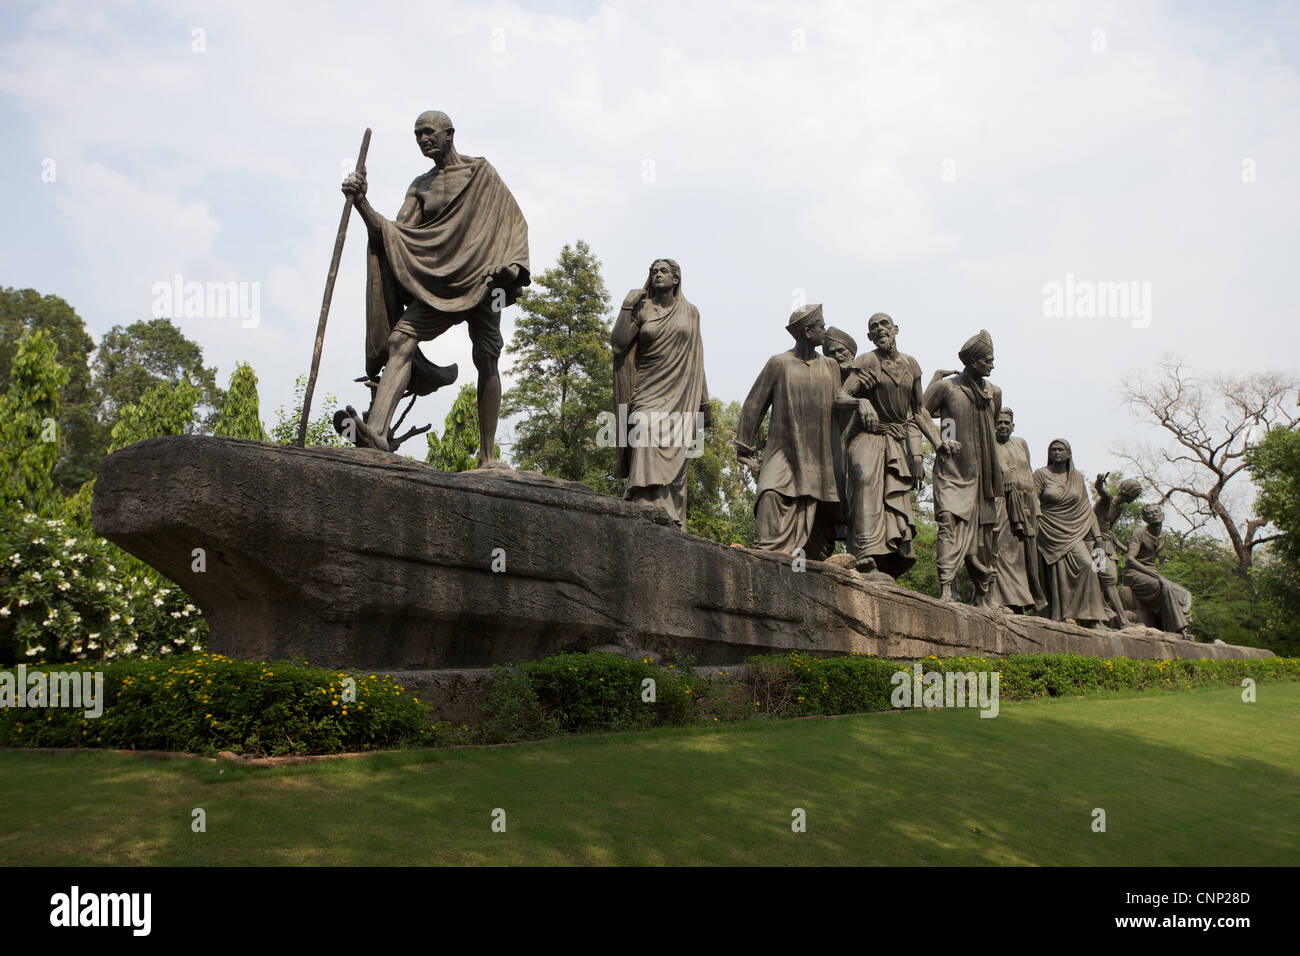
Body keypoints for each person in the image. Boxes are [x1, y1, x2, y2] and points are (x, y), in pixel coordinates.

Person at [341, 110, 530, 465]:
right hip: (438, 284)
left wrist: (512, 267)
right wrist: (362, 203)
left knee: (486, 358)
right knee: (400, 340)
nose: (423, 139)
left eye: (428, 132)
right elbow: (394, 234)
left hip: (483, 281)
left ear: (449, 134)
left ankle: (487, 457)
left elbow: (513, 222)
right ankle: (376, 433)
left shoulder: (481, 174)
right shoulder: (420, 187)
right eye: (417, 135)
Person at [834, 313, 945, 576]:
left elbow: (918, 411)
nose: (880, 329)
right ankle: (863, 554)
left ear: (896, 329)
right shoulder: (866, 361)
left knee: (892, 501)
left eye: (884, 324)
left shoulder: (912, 365)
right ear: (870, 337)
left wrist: (938, 443)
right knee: (863, 484)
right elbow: (840, 396)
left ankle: (887, 562)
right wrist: (861, 401)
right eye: (874, 328)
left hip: (896, 441)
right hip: (867, 437)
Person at [610, 259, 710, 527]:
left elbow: (697, 357)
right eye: (653, 271)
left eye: (663, 271)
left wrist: (704, 403)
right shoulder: (642, 308)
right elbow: (618, 346)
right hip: (648, 390)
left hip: (682, 394)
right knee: (643, 427)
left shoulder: (691, 312)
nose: (657, 275)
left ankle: (672, 515)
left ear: (676, 279)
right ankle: (643, 503)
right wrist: (627, 305)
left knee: (680, 449)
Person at [735, 305, 840, 559]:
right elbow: (753, 405)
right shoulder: (779, 363)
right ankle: (767, 558)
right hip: (783, 452)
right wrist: (744, 450)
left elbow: (840, 401)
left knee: (817, 511)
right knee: (770, 493)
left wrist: (862, 404)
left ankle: (812, 561)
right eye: (822, 326)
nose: (826, 331)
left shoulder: (831, 366)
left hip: (818, 458)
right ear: (807, 331)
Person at [922, 330, 1003, 604]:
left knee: (984, 536)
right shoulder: (949, 388)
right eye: (988, 360)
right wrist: (938, 441)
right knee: (948, 523)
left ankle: (983, 596)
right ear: (972, 361)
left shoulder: (994, 392)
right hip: (953, 471)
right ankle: (947, 589)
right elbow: (920, 410)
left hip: (982, 475)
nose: (993, 365)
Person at [1033, 438, 1110, 627]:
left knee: (1088, 566)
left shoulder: (1077, 477)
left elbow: (1086, 508)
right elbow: (1032, 500)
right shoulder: (1041, 474)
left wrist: (1098, 536)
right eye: (1053, 450)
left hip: (1074, 532)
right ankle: (1062, 615)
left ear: (1069, 454)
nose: (1056, 453)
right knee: (1057, 574)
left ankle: (1094, 619)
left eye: (1060, 450)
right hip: (1049, 532)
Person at [988, 408, 1046, 613]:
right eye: (999, 422)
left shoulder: (1021, 443)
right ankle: (998, 599)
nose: (1002, 426)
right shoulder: (989, 443)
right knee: (1001, 550)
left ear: (1013, 426)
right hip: (1001, 503)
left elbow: (1028, 472)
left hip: (1026, 506)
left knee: (1023, 555)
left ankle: (1020, 602)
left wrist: (1035, 505)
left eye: (1006, 423)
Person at [1124, 503, 1193, 637]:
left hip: (1151, 574)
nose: (1154, 515)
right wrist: (1156, 576)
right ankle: (1179, 630)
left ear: (1163, 515)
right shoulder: (1139, 533)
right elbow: (1130, 559)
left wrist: (1155, 575)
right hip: (1134, 573)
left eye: (1156, 512)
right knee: (1165, 587)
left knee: (1184, 593)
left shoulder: (1163, 536)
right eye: (1150, 513)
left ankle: (1178, 626)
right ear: (1144, 518)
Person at [821, 327, 858, 547]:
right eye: (831, 352)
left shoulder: (864, 375)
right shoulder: (824, 380)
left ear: (852, 352)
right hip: (830, 448)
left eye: (841, 350)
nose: (837, 355)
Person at [1093, 475, 1143, 628]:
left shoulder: (1119, 509)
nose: (1135, 498)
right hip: (1096, 546)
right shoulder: (1107, 501)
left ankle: (1100, 620)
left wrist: (1122, 546)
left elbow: (1108, 530)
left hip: (1107, 546)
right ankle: (1121, 620)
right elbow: (1103, 492)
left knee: (1103, 583)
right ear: (1130, 493)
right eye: (1136, 494)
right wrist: (1099, 484)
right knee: (1105, 579)